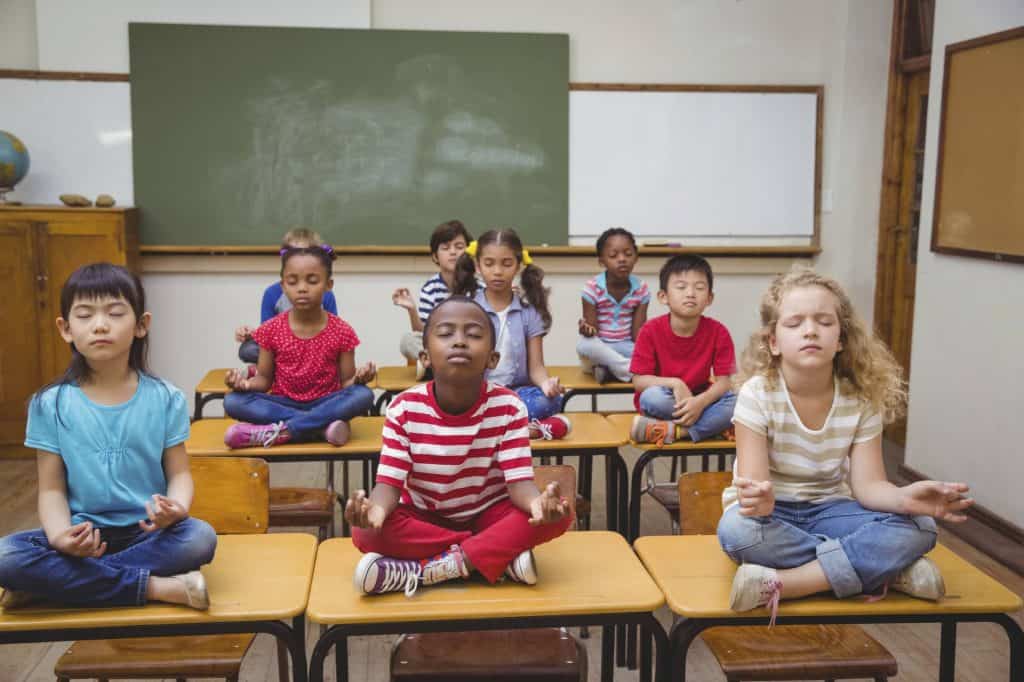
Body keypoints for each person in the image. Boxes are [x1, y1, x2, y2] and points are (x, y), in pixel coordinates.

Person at [718, 267, 973, 618]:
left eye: (824, 321)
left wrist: (904, 497)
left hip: (830, 509)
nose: (810, 330)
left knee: (920, 526)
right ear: (773, 342)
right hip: (769, 516)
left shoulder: (862, 399)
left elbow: (868, 487)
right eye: (794, 324)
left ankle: (786, 583)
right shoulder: (756, 393)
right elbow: (755, 493)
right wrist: (758, 500)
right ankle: (887, 570)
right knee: (736, 532)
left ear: (840, 339)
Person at [0, 263, 216, 610]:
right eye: (84, 315)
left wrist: (176, 509)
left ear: (142, 325)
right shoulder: (50, 404)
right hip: (83, 535)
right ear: (66, 329)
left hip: (148, 534)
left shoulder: (165, 398)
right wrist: (59, 537)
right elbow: (52, 488)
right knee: (5, 556)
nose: (100, 325)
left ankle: (55, 584)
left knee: (199, 538)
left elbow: (179, 473)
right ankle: (156, 588)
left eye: (115, 313)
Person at [345, 296, 573, 596]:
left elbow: (519, 485)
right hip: (427, 517)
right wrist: (374, 511)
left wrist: (537, 505)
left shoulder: (508, 406)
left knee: (560, 514)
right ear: (425, 357)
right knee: (365, 531)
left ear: (492, 359)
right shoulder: (403, 408)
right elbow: (389, 486)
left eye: (474, 335)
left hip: (488, 513)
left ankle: (427, 571)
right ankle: (493, 556)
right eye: (446, 333)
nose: (460, 341)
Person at [222, 243, 375, 448]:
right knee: (233, 401)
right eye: (293, 282)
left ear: (329, 285)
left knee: (363, 395)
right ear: (283, 286)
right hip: (283, 403)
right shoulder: (271, 329)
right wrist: (246, 385)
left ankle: (283, 431)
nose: (302, 288)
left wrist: (359, 378)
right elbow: (264, 380)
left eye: (312, 281)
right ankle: (320, 427)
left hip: (326, 401)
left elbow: (346, 382)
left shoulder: (342, 331)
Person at [452, 228, 570, 440]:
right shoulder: (467, 308)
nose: (497, 271)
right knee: (455, 402)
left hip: (516, 394)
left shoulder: (528, 311)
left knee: (550, 401)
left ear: (518, 266)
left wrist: (546, 384)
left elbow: (536, 368)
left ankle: (495, 429)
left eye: (506, 264)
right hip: (477, 393)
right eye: (489, 264)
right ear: (478, 266)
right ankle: (528, 430)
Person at [630, 254, 737, 445]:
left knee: (737, 400)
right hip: (667, 400)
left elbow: (724, 382)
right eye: (681, 287)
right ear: (663, 297)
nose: (690, 293)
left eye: (699, 288)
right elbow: (639, 381)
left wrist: (700, 402)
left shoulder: (719, 331)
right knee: (650, 397)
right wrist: (675, 384)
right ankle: (711, 426)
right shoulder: (649, 330)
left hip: (701, 399)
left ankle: (677, 431)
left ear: (709, 298)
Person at [234, 228, 339, 364]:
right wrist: (251, 334)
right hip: (282, 348)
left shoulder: (325, 294)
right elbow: (266, 333)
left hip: (315, 347)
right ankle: (286, 367)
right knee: (247, 349)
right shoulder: (272, 293)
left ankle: (293, 367)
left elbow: (334, 332)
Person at [392, 219, 472, 379]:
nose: (453, 252)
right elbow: (424, 331)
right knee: (408, 340)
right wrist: (412, 310)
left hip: (468, 343)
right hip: (442, 344)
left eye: (459, 247)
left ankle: (436, 368)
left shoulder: (477, 286)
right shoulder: (431, 287)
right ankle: (448, 369)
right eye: (445, 248)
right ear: (435, 256)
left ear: (468, 252)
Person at [576, 227, 649, 383]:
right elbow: (592, 331)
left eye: (628, 254)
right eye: (613, 255)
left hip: (625, 346)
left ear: (636, 257)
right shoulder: (592, 288)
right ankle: (630, 372)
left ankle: (608, 370)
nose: (622, 259)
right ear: (602, 261)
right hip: (599, 346)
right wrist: (586, 330)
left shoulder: (641, 289)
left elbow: (638, 335)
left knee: (650, 352)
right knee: (585, 345)